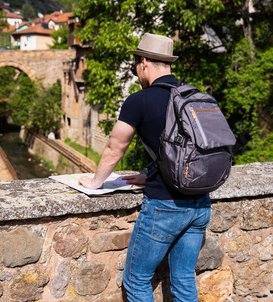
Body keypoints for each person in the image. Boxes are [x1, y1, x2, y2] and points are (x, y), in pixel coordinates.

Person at [78, 33, 211, 302]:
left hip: (165, 206)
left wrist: (95, 183)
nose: (136, 70)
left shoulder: (139, 100)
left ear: (144, 62)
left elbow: (115, 147)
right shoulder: (194, 95)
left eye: (135, 65)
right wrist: (150, 173)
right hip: (200, 202)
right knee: (183, 281)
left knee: (136, 281)